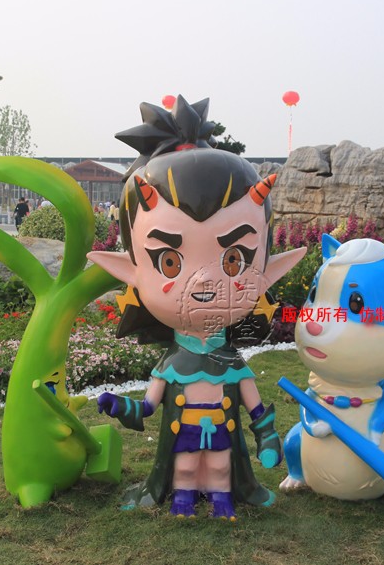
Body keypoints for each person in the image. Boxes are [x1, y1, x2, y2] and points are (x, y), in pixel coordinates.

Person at [89, 96, 305, 520]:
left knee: (221, 467)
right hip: (185, 436)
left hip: (221, 438)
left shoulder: (232, 364)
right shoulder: (173, 365)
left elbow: (255, 407)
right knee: (185, 467)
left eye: (234, 260)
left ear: (266, 269)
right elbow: (148, 407)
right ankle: (183, 497)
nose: (204, 282)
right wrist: (120, 406)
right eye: (170, 262)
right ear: (131, 270)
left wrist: (266, 438)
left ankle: (223, 498)